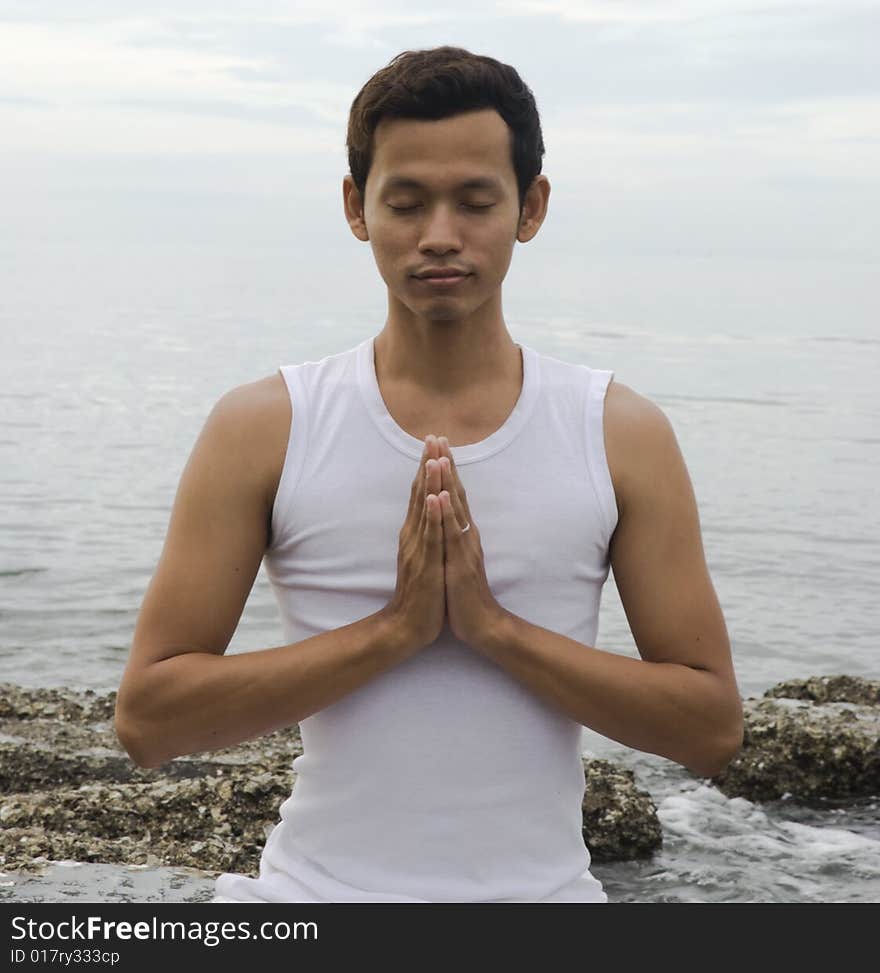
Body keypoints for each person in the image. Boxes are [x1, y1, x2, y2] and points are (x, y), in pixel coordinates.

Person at [114, 45, 743, 904]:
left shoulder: (617, 431)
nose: (439, 234)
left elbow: (710, 729)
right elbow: (149, 720)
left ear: (531, 207)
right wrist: (395, 630)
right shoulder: (266, 426)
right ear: (356, 207)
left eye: (476, 201)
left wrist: (492, 628)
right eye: (405, 202)